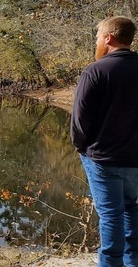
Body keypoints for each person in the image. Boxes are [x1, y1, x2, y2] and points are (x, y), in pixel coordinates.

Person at [70, 16, 138, 267]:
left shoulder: (96, 70)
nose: (96, 41)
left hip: (103, 159)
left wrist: (82, 148)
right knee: (131, 208)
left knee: (111, 215)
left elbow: (80, 120)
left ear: (108, 38)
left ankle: (111, 264)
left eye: (98, 36)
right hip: (135, 160)